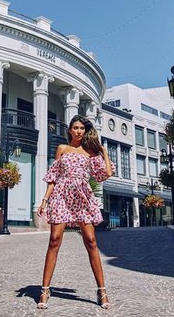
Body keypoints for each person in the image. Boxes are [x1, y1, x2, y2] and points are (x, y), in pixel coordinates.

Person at [36, 115, 116, 310]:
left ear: (85, 130)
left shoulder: (90, 152)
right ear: (70, 130)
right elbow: (54, 178)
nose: (79, 131)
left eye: (82, 128)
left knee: (91, 241)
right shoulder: (62, 149)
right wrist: (45, 200)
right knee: (54, 239)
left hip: (82, 198)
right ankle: (45, 290)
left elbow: (106, 174)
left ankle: (102, 290)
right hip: (61, 196)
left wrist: (103, 151)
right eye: (75, 128)